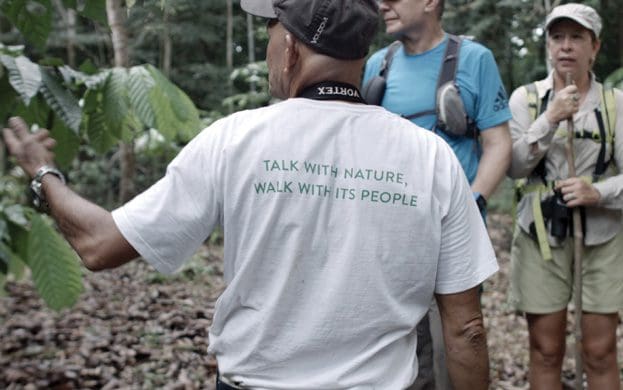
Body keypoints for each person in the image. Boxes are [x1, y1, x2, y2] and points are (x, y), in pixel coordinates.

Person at [3, 0, 498, 388]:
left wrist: (41, 171)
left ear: (291, 49)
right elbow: (467, 329)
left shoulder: (236, 139)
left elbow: (99, 243)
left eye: (270, 33)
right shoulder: (432, 157)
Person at [362, 1, 512, 388]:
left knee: (459, 342)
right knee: (400, 350)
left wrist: (472, 202)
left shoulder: (474, 59)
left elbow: (498, 143)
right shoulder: (379, 64)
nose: (382, 5)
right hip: (391, 235)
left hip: (454, 237)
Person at [507, 3, 623, 389]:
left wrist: (599, 191)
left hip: (603, 237)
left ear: (595, 46)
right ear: (548, 46)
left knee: (601, 351)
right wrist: (550, 118)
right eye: (558, 37)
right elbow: (514, 166)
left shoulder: (615, 104)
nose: (566, 47)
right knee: (545, 350)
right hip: (541, 235)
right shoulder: (525, 100)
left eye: (577, 37)